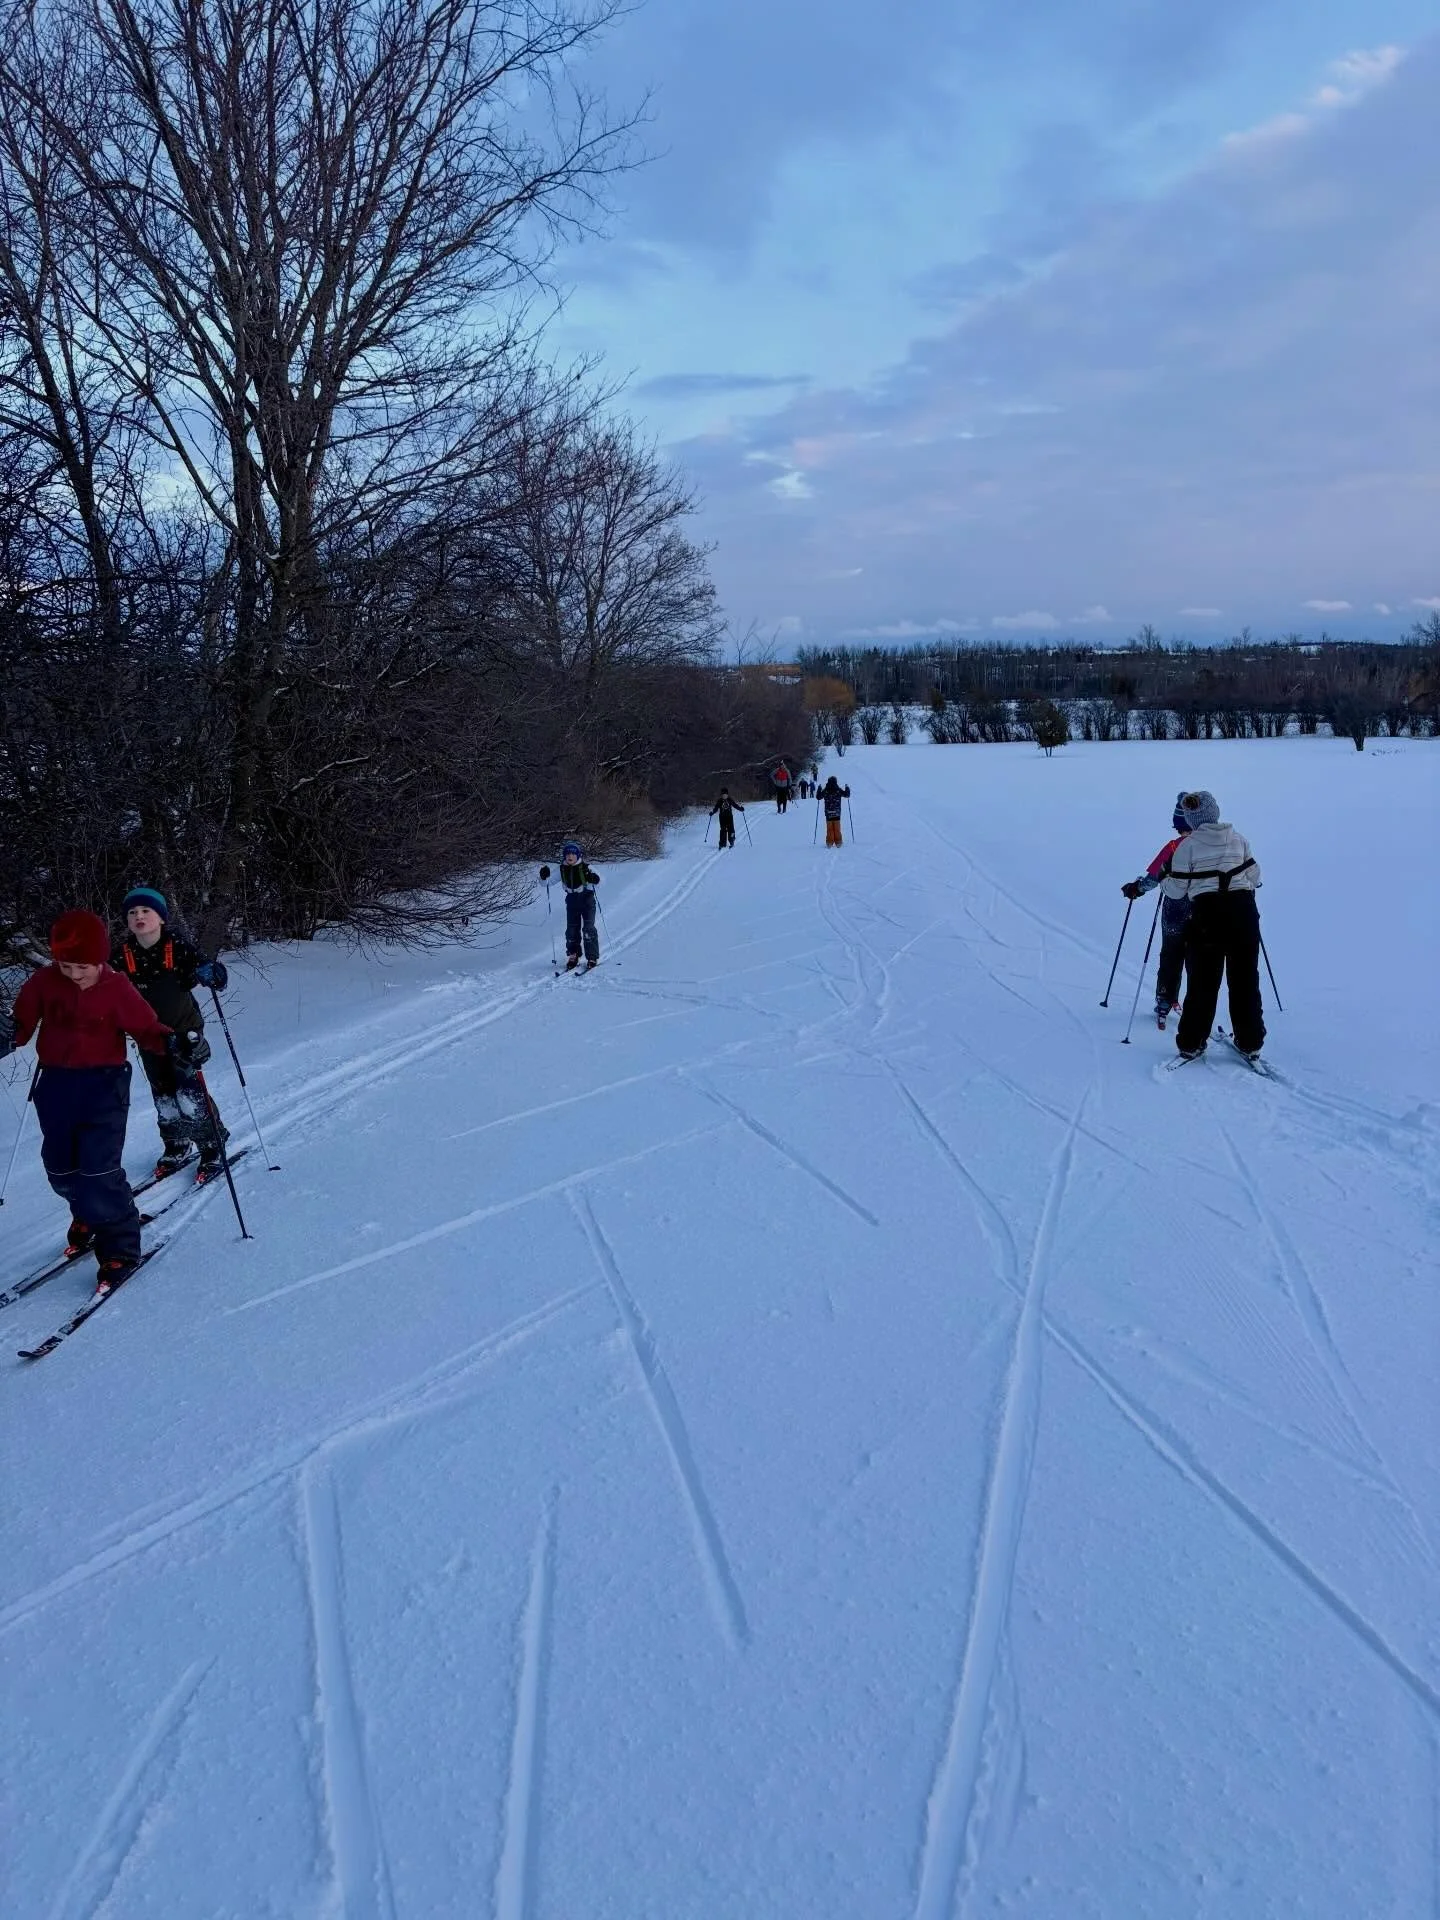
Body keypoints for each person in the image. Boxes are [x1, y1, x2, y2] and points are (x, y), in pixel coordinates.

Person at [0, 910, 173, 1292]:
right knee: (61, 1169)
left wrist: (174, 1045)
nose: (74, 975)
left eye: (82, 967)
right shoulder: (44, 982)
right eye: (65, 965)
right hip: (56, 1086)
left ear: (98, 959)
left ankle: (120, 1247)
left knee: (97, 1173)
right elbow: (21, 1026)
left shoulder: (117, 988)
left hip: (104, 1086)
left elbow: (147, 1029)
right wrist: (6, 1035)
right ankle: (88, 1214)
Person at [116, 887, 231, 1180]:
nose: (139, 917)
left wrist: (212, 973)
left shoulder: (177, 946)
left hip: (182, 1031)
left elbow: (211, 973)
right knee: (163, 1093)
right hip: (148, 1034)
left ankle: (211, 1143)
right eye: (132, 912)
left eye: (146, 911)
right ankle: (176, 1142)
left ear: (161, 918)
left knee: (188, 1092)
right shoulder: (122, 954)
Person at [1166, 792, 1265, 1060]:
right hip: (1243, 913)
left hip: (1207, 917)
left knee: (1202, 982)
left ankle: (1191, 1042)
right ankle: (1251, 1041)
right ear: (1216, 812)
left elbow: (1176, 891)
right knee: (1245, 979)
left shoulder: (1188, 847)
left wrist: (1165, 878)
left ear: (1191, 819)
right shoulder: (1238, 838)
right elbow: (1255, 876)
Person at [1120, 794, 1193, 1030]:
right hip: (1205, 910)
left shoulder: (1173, 847)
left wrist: (1136, 889)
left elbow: (1154, 877)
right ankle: (1197, 1004)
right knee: (1198, 958)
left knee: (1171, 953)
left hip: (1175, 907)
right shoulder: (1210, 846)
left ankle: (1164, 998)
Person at [556, 841, 601, 969]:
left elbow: (602, 881)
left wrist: (595, 879)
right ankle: (573, 954)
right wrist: (544, 876)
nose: (570, 856)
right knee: (571, 929)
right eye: (568, 853)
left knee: (588, 928)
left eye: (573, 853)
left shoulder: (586, 867)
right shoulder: (562, 868)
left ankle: (592, 956)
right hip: (571, 900)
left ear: (578, 855)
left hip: (587, 899)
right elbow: (547, 882)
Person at [820, 775, 850, 847]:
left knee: (829, 828)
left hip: (828, 812)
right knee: (837, 828)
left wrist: (819, 789)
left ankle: (829, 843)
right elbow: (847, 795)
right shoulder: (838, 789)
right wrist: (847, 788)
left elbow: (818, 797)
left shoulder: (826, 790)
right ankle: (838, 842)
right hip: (837, 812)